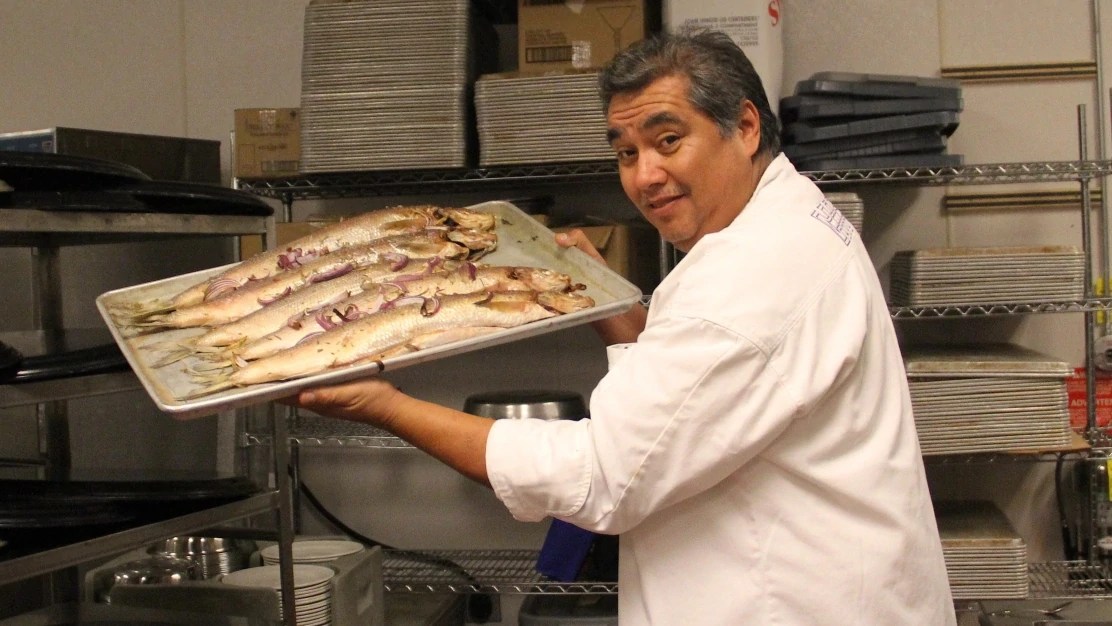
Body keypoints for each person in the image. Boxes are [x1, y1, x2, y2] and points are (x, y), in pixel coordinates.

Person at [286, 29, 956, 625]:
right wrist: (614, 307)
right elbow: (697, 404)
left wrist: (385, 406)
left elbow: (604, 476)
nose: (646, 176)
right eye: (627, 152)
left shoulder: (751, 270)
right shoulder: (784, 218)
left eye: (669, 141)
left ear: (746, 127)